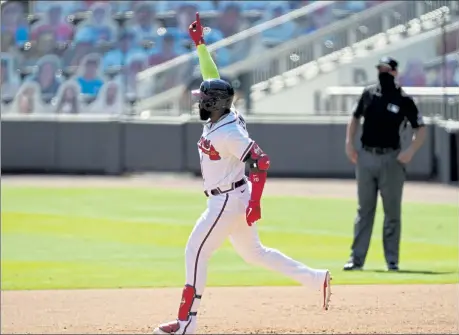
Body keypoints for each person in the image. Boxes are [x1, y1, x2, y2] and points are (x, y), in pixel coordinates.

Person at [152, 13, 332, 335]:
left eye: (205, 99)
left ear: (216, 105)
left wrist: (256, 203)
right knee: (255, 254)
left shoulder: (228, 132)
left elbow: (260, 161)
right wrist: (200, 45)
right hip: (234, 194)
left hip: (227, 202)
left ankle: (185, 323)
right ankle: (316, 278)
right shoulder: (227, 111)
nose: (200, 102)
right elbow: (212, 75)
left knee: (195, 251)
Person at [344, 57, 427, 272]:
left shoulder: (403, 99)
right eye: (380, 69)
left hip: (391, 158)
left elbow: (421, 128)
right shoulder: (369, 94)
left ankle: (392, 260)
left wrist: (410, 150)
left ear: (395, 73)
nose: (382, 73)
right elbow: (354, 118)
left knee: (392, 212)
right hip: (366, 156)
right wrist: (349, 143)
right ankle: (356, 259)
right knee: (364, 210)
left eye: (386, 70)